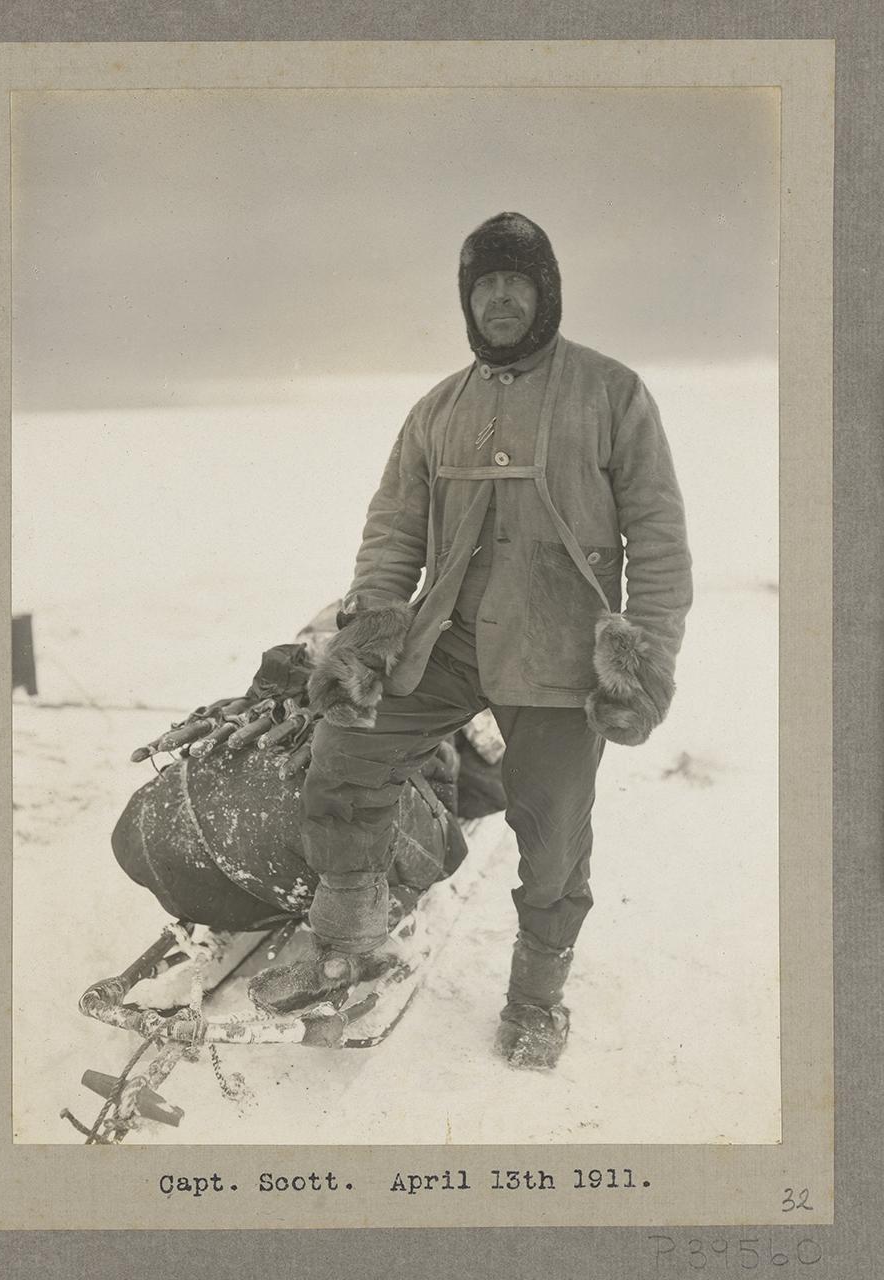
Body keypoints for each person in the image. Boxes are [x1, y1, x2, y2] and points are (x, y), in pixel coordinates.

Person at [248, 212, 693, 1071]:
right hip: (449, 642)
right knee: (345, 748)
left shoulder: (612, 392)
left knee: (553, 833)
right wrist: (373, 632)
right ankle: (346, 941)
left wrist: (645, 656)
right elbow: (392, 533)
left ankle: (534, 1000)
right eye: (483, 284)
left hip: (559, 656)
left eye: (515, 282)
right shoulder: (437, 408)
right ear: (466, 300)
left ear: (545, 293)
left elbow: (658, 537)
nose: (499, 298)